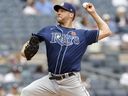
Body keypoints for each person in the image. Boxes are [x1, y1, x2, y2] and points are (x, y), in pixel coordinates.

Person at [20, 2, 112, 96]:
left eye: (62, 11)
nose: (58, 13)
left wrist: (93, 12)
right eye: (58, 11)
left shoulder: (83, 34)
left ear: (71, 14)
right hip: (51, 81)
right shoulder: (48, 30)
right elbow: (26, 49)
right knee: (26, 92)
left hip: (71, 82)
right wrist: (24, 51)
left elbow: (106, 31)